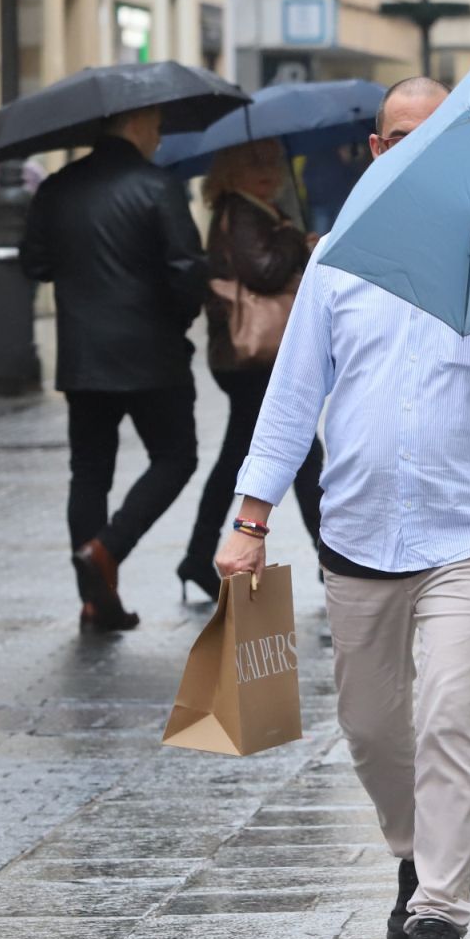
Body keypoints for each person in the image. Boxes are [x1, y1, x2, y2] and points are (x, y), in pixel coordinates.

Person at [213, 77, 470, 939]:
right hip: (355, 532)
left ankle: (439, 914)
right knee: (371, 728)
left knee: (450, 718)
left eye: (438, 136)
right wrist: (250, 517)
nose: (417, 150)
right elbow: (292, 396)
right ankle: (409, 847)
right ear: (379, 150)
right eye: (402, 136)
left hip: (469, 531)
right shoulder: (338, 259)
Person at [22, 107, 207, 634]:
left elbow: (34, 264)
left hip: (83, 356)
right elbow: (187, 267)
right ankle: (107, 549)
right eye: (155, 125)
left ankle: (94, 600)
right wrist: (178, 317)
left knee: (89, 472)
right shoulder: (158, 185)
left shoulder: (58, 187)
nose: (159, 134)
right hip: (153, 353)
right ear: (134, 125)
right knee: (176, 456)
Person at [176, 139, 324, 602]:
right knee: (298, 450)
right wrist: (296, 242)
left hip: (244, 357)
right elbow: (263, 271)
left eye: (271, 162)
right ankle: (329, 556)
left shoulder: (251, 208)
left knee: (244, 456)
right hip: (252, 357)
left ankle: (198, 556)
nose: (265, 171)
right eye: (251, 163)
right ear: (231, 171)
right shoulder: (242, 211)